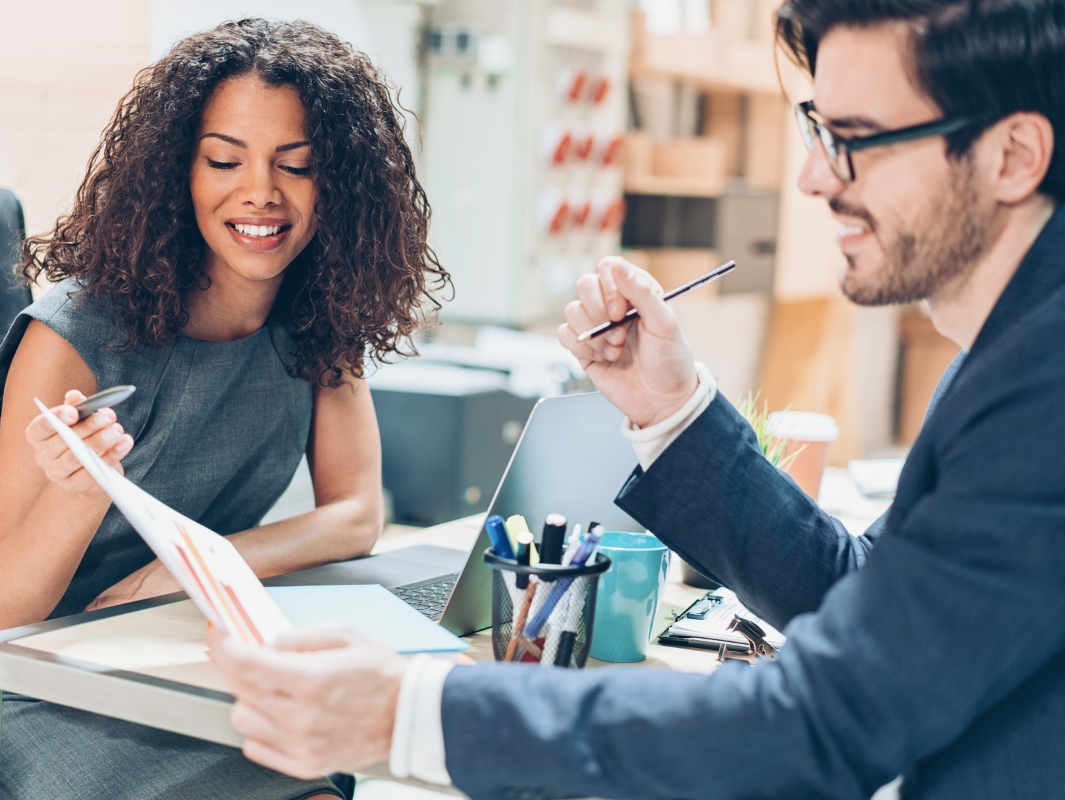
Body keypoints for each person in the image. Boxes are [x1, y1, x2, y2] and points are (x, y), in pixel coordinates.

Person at [207, 1, 1065, 798]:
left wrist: (416, 711)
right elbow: (855, 592)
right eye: (817, 129)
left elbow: (831, 717)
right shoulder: (1012, 348)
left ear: (1013, 156)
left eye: (856, 139)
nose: (812, 177)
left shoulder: (1045, 382)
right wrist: (673, 406)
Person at [0, 18, 448, 800]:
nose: (260, 193)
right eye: (224, 160)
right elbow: (3, 606)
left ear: (339, 183)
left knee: (320, 768)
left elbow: (353, 514)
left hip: (168, 644)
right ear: (177, 171)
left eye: (298, 166)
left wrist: (177, 575)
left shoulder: (320, 318)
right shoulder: (75, 332)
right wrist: (80, 494)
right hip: (13, 682)